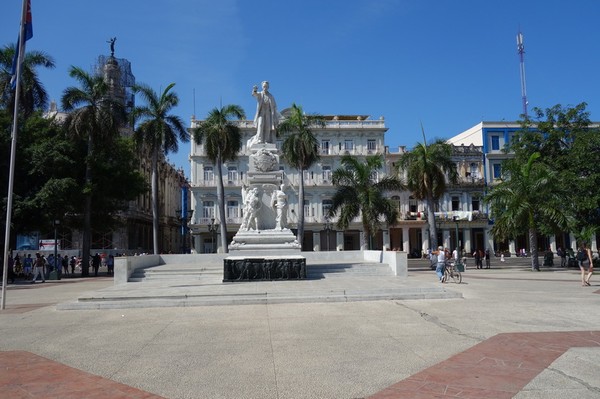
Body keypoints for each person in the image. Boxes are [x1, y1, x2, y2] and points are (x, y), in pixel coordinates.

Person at [248, 81, 278, 146]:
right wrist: (255, 90)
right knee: (260, 125)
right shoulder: (260, 94)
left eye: (266, 86)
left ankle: (267, 140)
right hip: (261, 112)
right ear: (262, 87)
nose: (265, 87)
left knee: (268, 126)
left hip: (268, 113)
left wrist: (274, 115)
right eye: (264, 86)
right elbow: (254, 94)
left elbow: (274, 106)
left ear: (268, 87)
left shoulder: (270, 96)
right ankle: (259, 139)